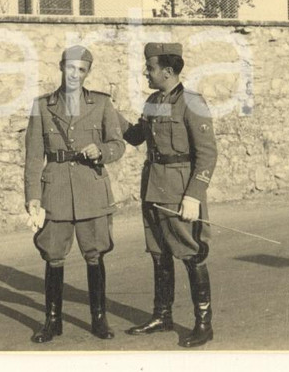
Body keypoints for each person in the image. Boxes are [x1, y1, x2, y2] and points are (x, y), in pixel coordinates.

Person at [24, 45, 125, 343]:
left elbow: (117, 144)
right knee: (53, 256)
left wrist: (102, 151)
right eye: (70, 68)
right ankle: (52, 321)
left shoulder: (102, 104)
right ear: (61, 67)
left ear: (88, 73)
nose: (75, 75)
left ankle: (98, 318)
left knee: (94, 255)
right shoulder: (42, 105)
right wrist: (32, 196)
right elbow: (32, 157)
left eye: (81, 70)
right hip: (54, 191)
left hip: (91, 189)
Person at [121, 42, 218, 348]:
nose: (145, 72)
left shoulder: (192, 102)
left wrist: (194, 195)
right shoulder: (153, 101)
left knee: (191, 253)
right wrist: (111, 115)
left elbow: (207, 155)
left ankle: (204, 323)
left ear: (167, 71)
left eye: (150, 68)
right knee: (159, 253)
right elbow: (137, 136)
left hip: (179, 191)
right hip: (153, 186)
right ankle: (162, 315)